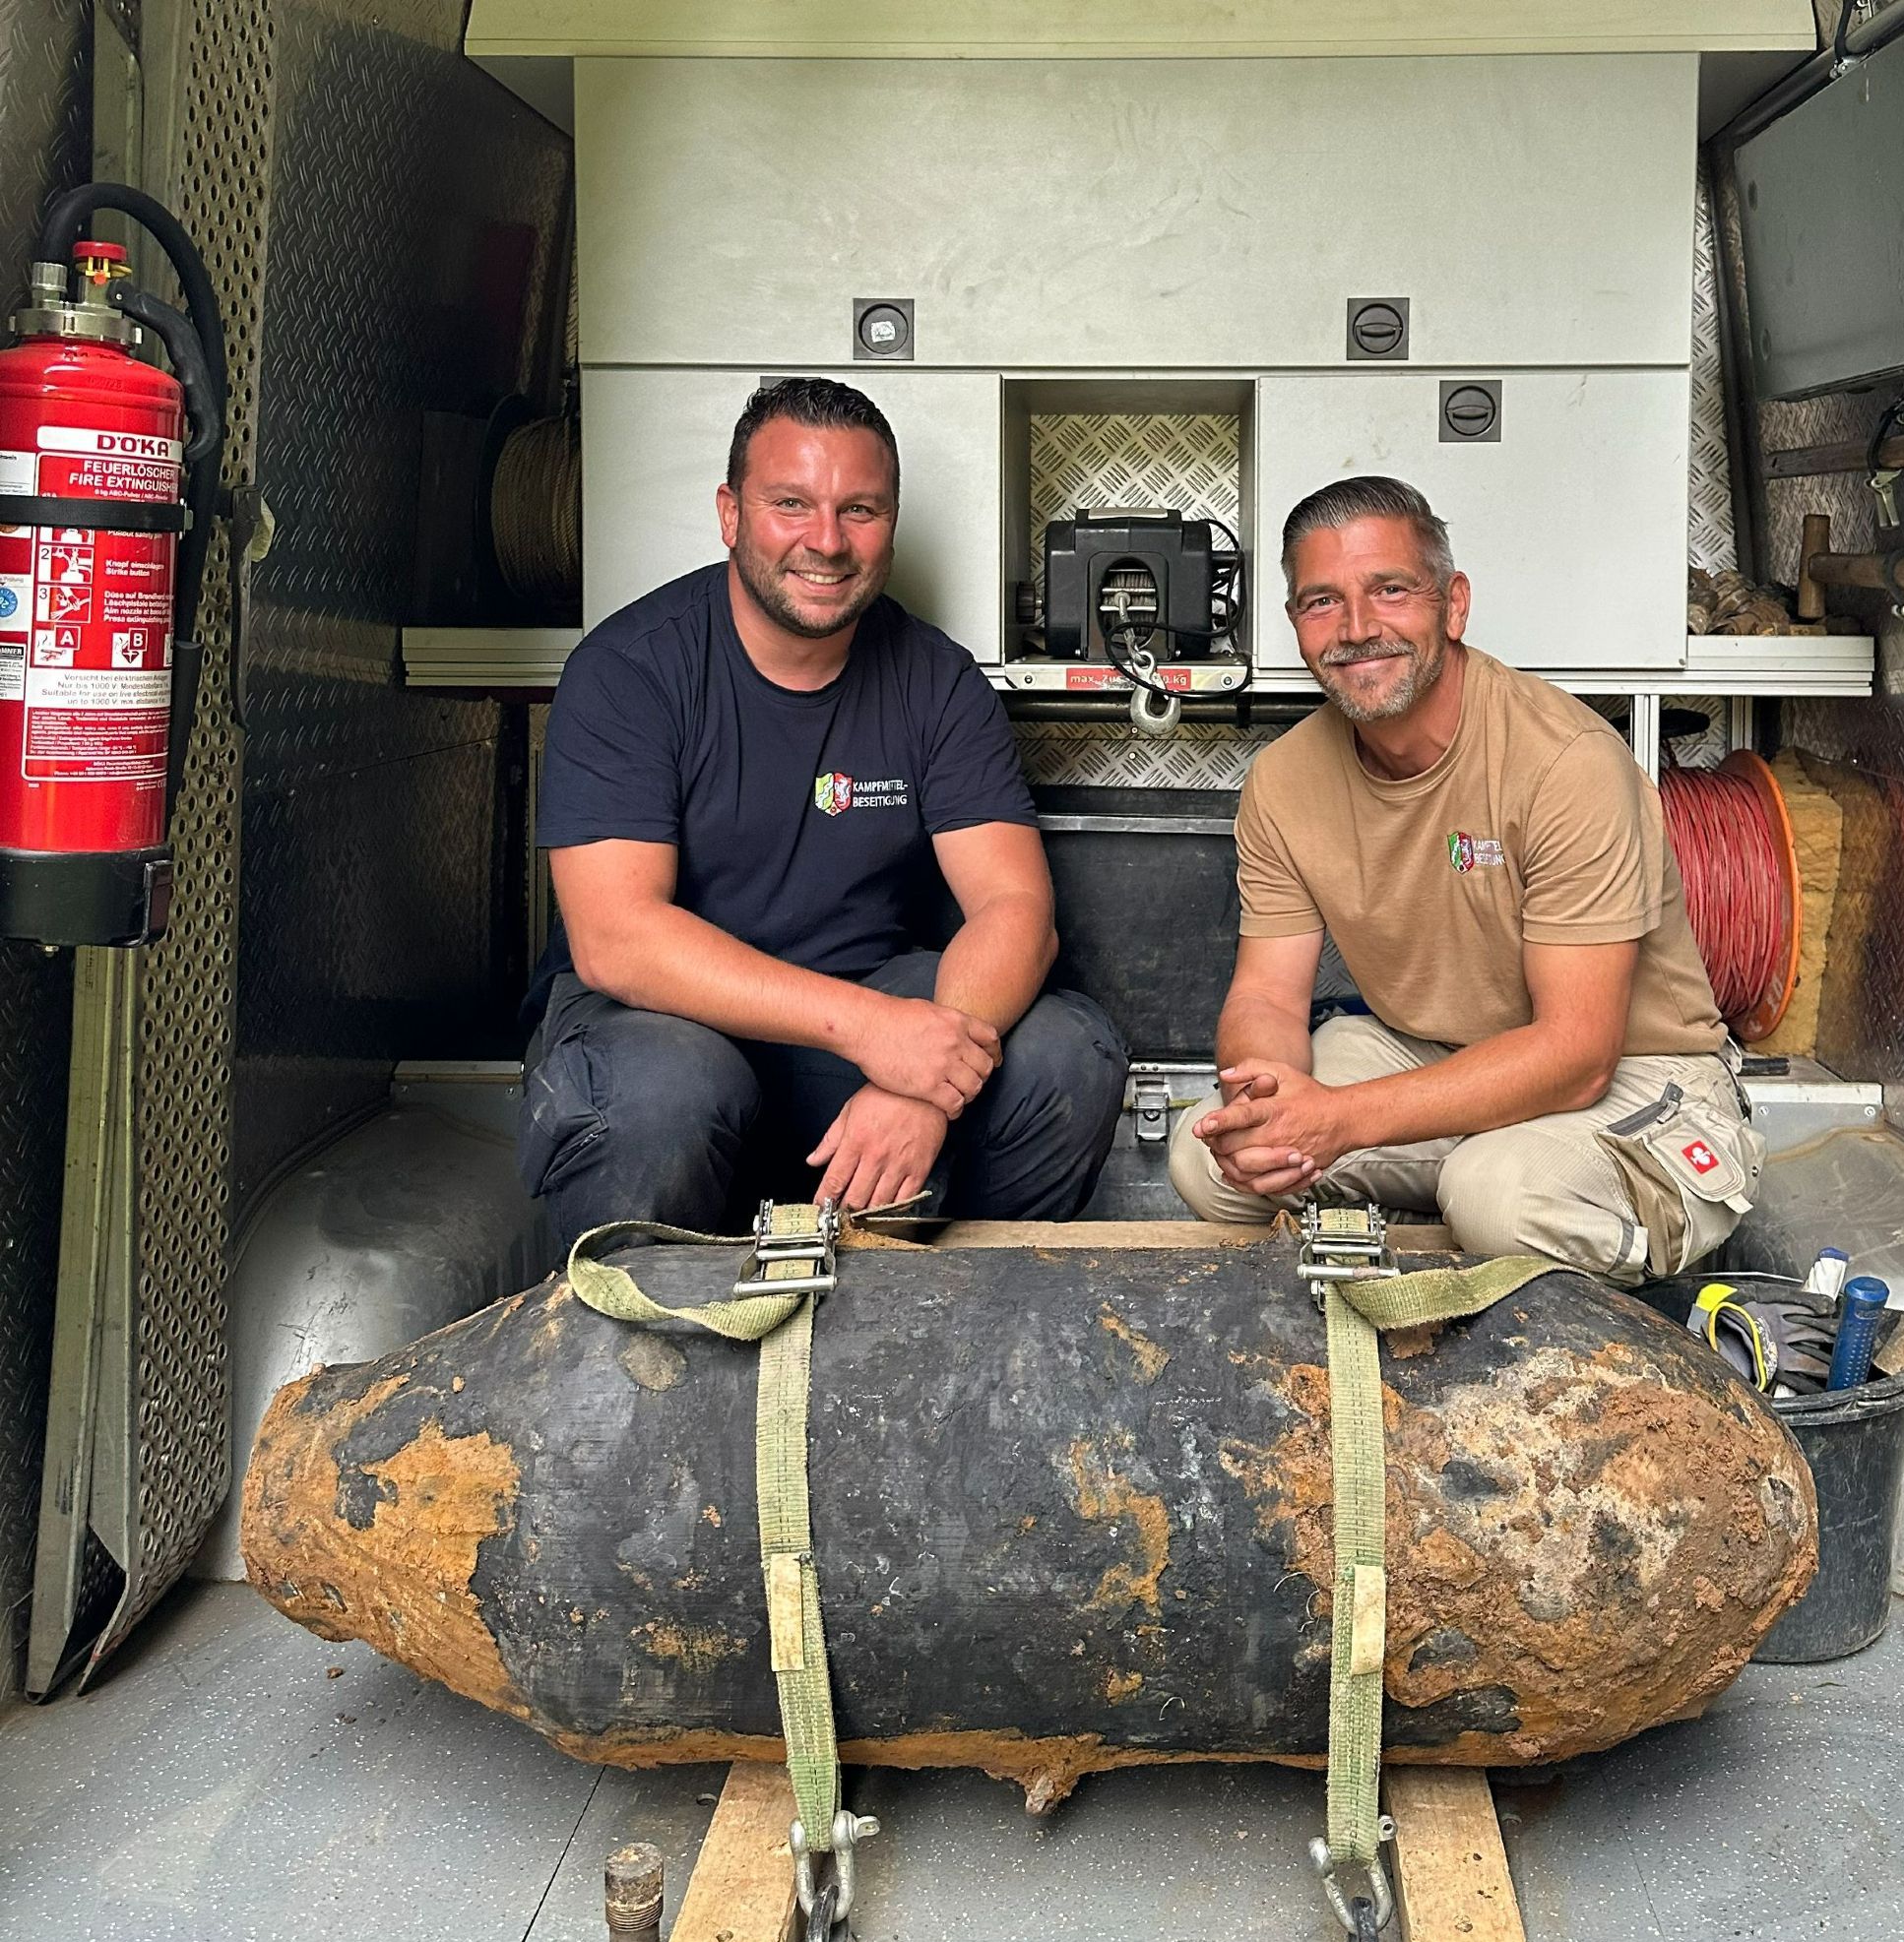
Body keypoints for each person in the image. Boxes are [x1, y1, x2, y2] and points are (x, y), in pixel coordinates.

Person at [520, 376, 1125, 1246]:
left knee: (1067, 1053)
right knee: (664, 1091)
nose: (827, 542)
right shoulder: (629, 670)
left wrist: (921, 1079)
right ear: (731, 514)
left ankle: (944, 1332)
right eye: (791, 504)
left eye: (861, 510)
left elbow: (1016, 910)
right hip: (658, 1028)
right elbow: (618, 939)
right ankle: (640, 1363)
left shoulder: (935, 679)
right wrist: (884, 1036)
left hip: (855, 1030)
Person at [1169, 475, 1760, 1281]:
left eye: (1391, 590)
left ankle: (1619, 1278)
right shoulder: (1283, 781)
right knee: (1209, 1158)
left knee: (1495, 1196)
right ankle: (1435, 1236)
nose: (1357, 628)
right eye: (1321, 602)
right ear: (1294, 626)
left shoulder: (1565, 762)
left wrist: (1339, 1123)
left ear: (1453, 604)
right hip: (1429, 1057)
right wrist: (1266, 1108)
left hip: (1637, 1074)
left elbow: (1577, 1052)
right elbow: (1268, 995)